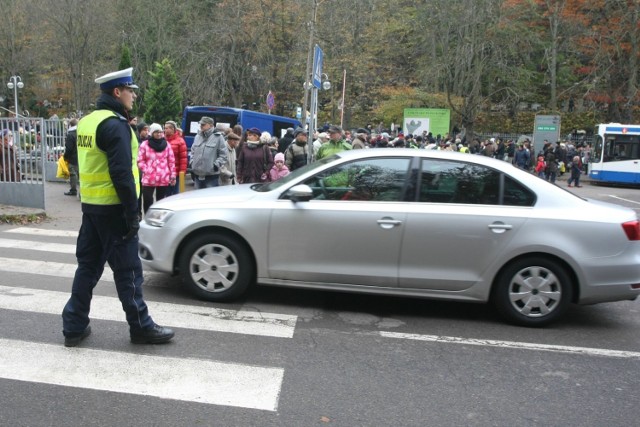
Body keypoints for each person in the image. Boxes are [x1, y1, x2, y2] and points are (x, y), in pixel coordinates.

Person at [61, 67, 174, 347]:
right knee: (128, 272)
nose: (133, 95)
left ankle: (73, 326)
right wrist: (131, 213)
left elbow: (73, 158)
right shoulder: (115, 125)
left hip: (91, 209)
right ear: (117, 92)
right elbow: (122, 174)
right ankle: (141, 327)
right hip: (114, 210)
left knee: (87, 268)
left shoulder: (86, 123)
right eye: (130, 91)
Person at [137, 123, 176, 213]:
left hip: (163, 177)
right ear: (151, 133)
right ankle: (147, 217)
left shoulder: (166, 145)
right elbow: (140, 161)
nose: (159, 134)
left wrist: (172, 175)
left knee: (161, 201)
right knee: (147, 200)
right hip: (149, 178)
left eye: (160, 132)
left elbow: (171, 161)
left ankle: (159, 219)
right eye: (156, 132)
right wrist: (147, 170)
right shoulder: (145, 145)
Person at [190, 117, 228, 189]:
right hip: (197, 175)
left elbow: (223, 155)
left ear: (211, 125)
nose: (201, 126)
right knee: (197, 198)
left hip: (211, 176)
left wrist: (215, 166)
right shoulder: (197, 136)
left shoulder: (219, 137)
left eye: (203, 124)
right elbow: (192, 151)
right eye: (200, 124)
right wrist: (192, 162)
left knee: (210, 199)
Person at [164, 120, 187, 195]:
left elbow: (183, 158)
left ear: (173, 129)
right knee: (165, 194)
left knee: (174, 193)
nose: (165, 130)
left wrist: (182, 172)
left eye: (168, 128)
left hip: (175, 172)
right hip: (163, 172)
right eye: (165, 128)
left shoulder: (180, 141)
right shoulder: (162, 140)